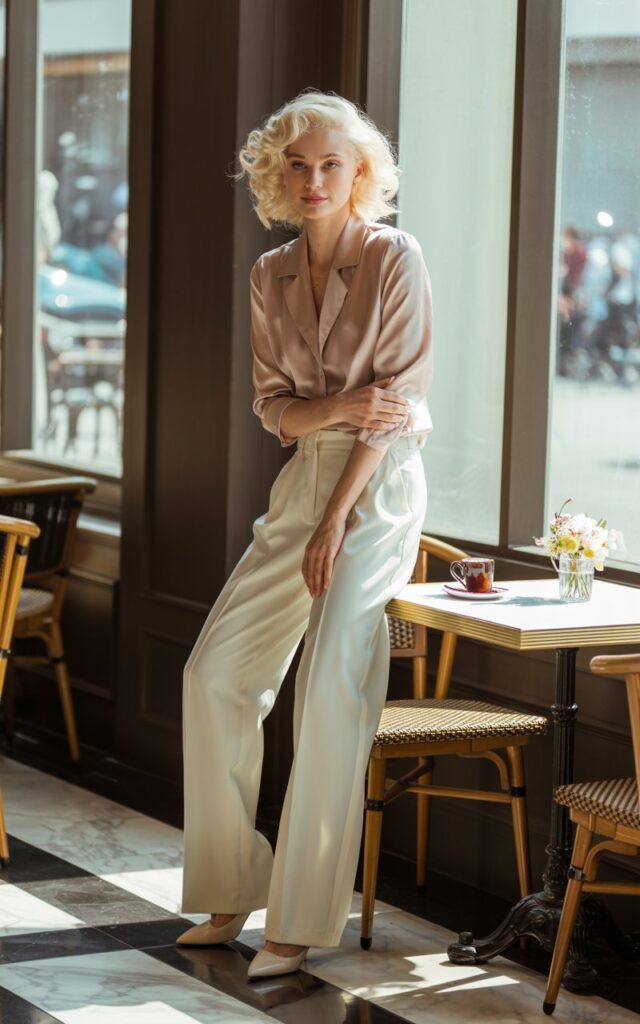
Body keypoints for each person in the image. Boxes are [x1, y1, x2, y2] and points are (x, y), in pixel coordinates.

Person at [177, 89, 433, 980]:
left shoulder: (395, 257)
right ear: (278, 175)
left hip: (379, 484)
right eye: (298, 165)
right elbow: (274, 411)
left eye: (331, 163)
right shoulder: (270, 273)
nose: (314, 179)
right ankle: (231, 883)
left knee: (327, 690)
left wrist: (336, 514)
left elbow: (392, 410)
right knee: (214, 675)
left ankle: (300, 919)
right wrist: (337, 408)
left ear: (360, 172)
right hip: (304, 482)